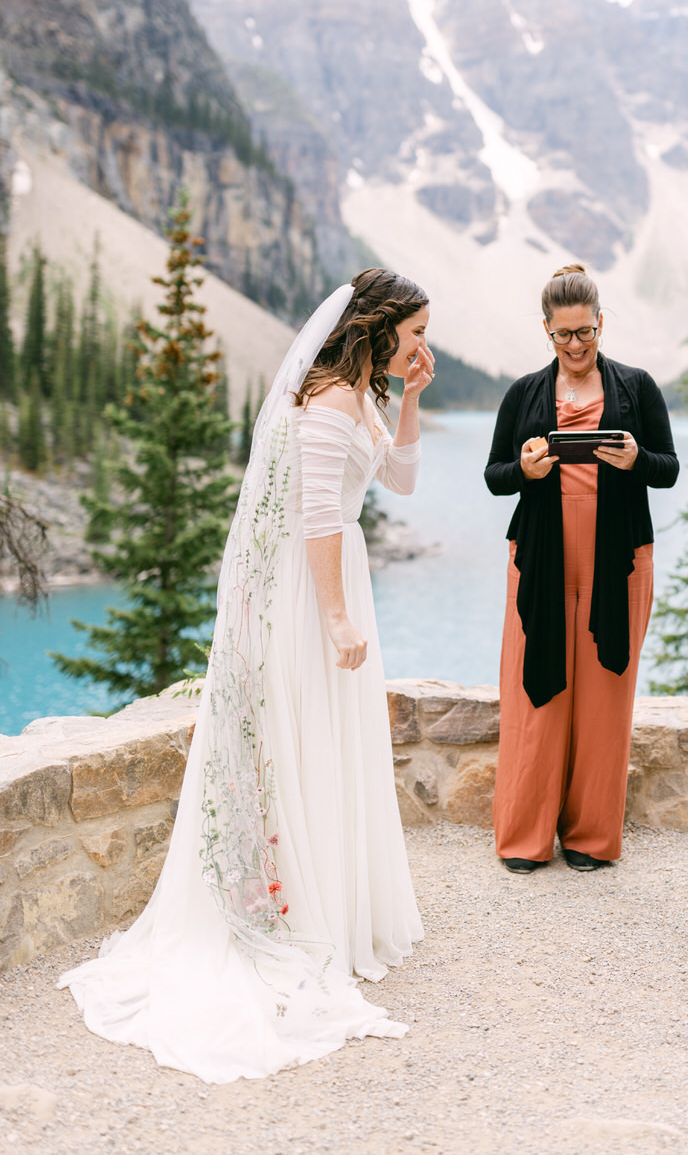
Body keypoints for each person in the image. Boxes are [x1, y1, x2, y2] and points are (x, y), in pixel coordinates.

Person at [61, 269, 435, 1081]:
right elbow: (315, 518)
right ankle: (292, 908)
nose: (421, 345)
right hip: (310, 593)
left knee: (332, 744)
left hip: (340, 580)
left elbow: (398, 481)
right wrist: (334, 618)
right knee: (302, 740)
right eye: (413, 333)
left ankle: (331, 905)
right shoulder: (328, 400)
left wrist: (408, 396)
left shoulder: (364, 395)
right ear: (378, 327)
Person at [485, 264, 679, 873]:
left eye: (585, 332)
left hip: (618, 559)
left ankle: (593, 838)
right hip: (539, 559)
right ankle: (524, 837)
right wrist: (527, 471)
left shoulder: (637, 387)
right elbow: (495, 477)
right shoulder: (523, 393)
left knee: (604, 699)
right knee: (534, 698)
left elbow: (668, 466)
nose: (575, 345)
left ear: (601, 323)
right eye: (562, 334)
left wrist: (633, 458)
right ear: (546, 330)